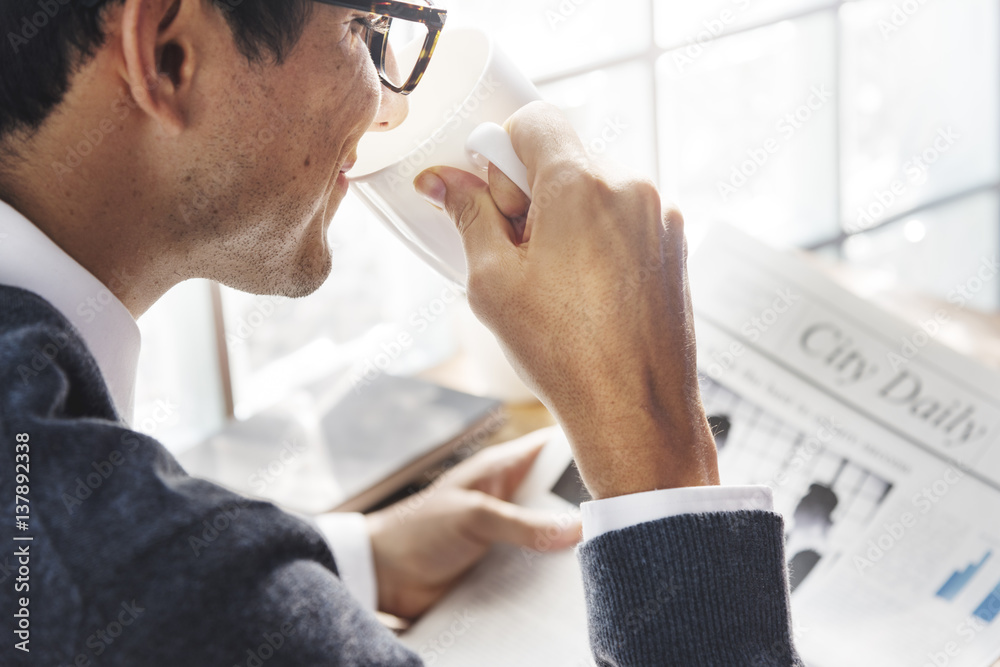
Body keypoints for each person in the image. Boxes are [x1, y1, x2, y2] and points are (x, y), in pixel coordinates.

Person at [0, 1, 802, 664]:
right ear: (167, 54)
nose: (393, 106)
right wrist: (660, 462)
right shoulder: (149, 585)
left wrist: (341, 564)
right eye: (363, 30)